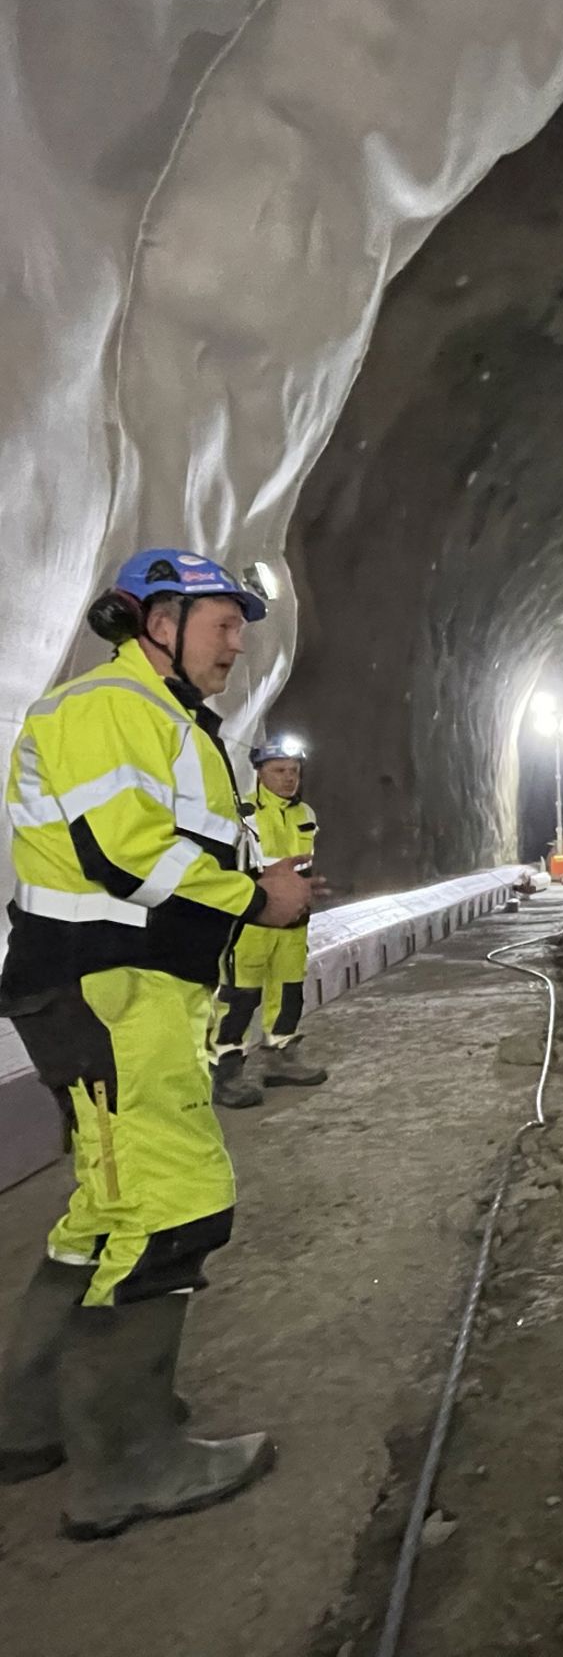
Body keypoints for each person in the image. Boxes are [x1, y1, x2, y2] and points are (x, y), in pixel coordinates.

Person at [0, 548, 313, 1540]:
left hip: (124, 993)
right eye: (222, 621)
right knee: (168, 1211)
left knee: (109, 1204)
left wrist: (261, 881)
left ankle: (32, 1419)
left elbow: (170, 843)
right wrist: (261, 897)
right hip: (109, 995)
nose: (237, 642)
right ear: (155, 621)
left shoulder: (169, 723)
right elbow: (122, 850)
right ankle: (127, 1461)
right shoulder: (105, 710)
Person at [210, 737, 326, 1107]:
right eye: (279, 771)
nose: (289, 778)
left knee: (289, 991)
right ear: (259, 773)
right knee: (239, 997)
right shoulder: (240, 813)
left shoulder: (305, 813)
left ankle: (281, 1057)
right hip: (252, 923)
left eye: (294, 771)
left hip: (294, 923)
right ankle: (226, 1073)